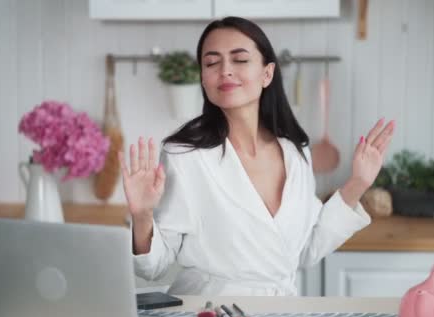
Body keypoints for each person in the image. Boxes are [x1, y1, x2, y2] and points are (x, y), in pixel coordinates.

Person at [118, 17, 395, 296]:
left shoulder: (295, 154)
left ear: (267, 73)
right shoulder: (184, 157)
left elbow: (306, 251)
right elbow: (153, 268)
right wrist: (142, 216)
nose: (225, 70)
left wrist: (357, 183)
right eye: (212, 63)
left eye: (240, 60)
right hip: (208, 316)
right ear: (203, 77)